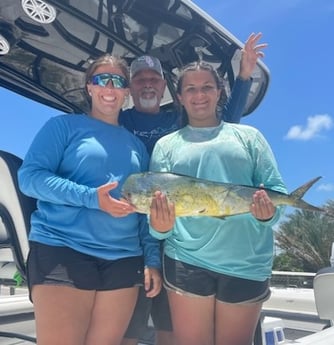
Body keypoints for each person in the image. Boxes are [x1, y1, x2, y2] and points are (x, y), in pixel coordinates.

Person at [120, 32, 268, 345]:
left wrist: (243, 76)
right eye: (139, 79)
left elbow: (222, 121)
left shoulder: (177, 121)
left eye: (153, 79)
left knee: (169, 327)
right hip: (129, 236)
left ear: (164, 88)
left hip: (175, 237)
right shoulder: (116, 121)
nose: (147, 84)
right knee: (127, 328)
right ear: (129, 88)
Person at [17, 54, 161, 345]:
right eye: (102, 79)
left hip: (124, 259)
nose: (110, 87)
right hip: (62, 250)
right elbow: (30, 178)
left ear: (126, 91)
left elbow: (145, 212)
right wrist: (91, 198)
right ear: (89, 87)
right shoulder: (63, 127)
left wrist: (153, 259)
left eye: (118, 81)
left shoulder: (138, 148)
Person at [148, 60, 288, 345]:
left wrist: (267, 215)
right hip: (186, 260)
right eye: (191, 89)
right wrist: (159, 228)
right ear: (180, 97)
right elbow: (158, 215)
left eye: (206, 87)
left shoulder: (249, 137)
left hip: (246, 262)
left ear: (220, 91)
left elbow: (277, 192)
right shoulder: (165, 145)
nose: (199, 95)